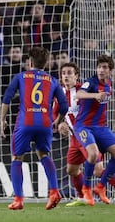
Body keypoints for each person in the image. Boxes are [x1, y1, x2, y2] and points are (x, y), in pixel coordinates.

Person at [0, 47, 69, 210]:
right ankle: (54, 191)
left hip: (25, 122)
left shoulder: (21, 77)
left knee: (17, 158)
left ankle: (18, 199)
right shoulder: (52, 80)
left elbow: (7, 98)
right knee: (44, 155)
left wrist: (2, 120)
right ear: (45, 64)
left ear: (30, 62)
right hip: (45, 123)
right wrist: (57, 121)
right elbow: (64, 105)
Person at [54, 62, 106, 207]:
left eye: (70, 73)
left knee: (98, 170)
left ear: (76, 76)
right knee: (71, 169)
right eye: (64, 73)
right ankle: (82, 197)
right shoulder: (59, 95)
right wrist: (60, 124)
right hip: (74, 139)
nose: (66, 76)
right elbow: (56, 114)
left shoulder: (83, 91)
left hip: (86, 136)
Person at [72, 54, 115, 206]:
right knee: (93, 154)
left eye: (104, 67)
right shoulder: (91, 82)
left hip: (101, 127)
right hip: (83, 126)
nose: (101, 70)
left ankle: (101, 186)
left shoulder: (109, 84)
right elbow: (79, 94)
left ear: (110, 70)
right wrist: (95, 95)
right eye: (99, 67)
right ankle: (86, 188)